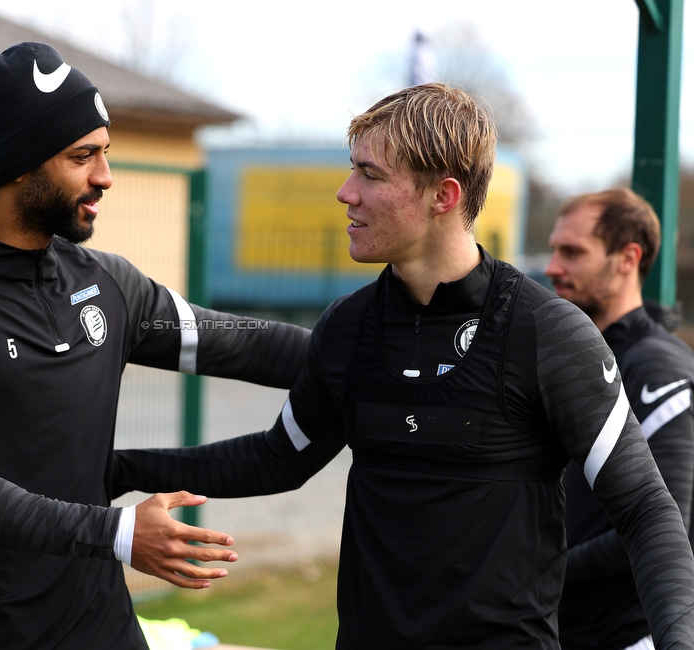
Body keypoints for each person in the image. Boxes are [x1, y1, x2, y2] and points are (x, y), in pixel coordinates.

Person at [112, 83, 694, 649]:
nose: (346, 192)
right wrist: (116, 468)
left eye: (370, 174)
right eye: (351, 169)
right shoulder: (347, 328)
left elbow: (646, 508)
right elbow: (277, 459)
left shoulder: (547, 333)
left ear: (442, 196)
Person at [0, 41, 309, 649]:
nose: (105, 176)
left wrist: (381, 351)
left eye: (105, 152)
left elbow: (246, 344)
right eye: (82, 156)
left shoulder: (106, 282)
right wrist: (117, 534)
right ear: (18, 162)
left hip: (101, 629)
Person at [545, 188, 694, 650]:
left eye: (572, 252)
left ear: (628, 258)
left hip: (628, 635)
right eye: (553, 250)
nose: (553, 267)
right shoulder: (574, 356)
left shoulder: (654, 366)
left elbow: (666, 524)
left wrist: (538, 566)